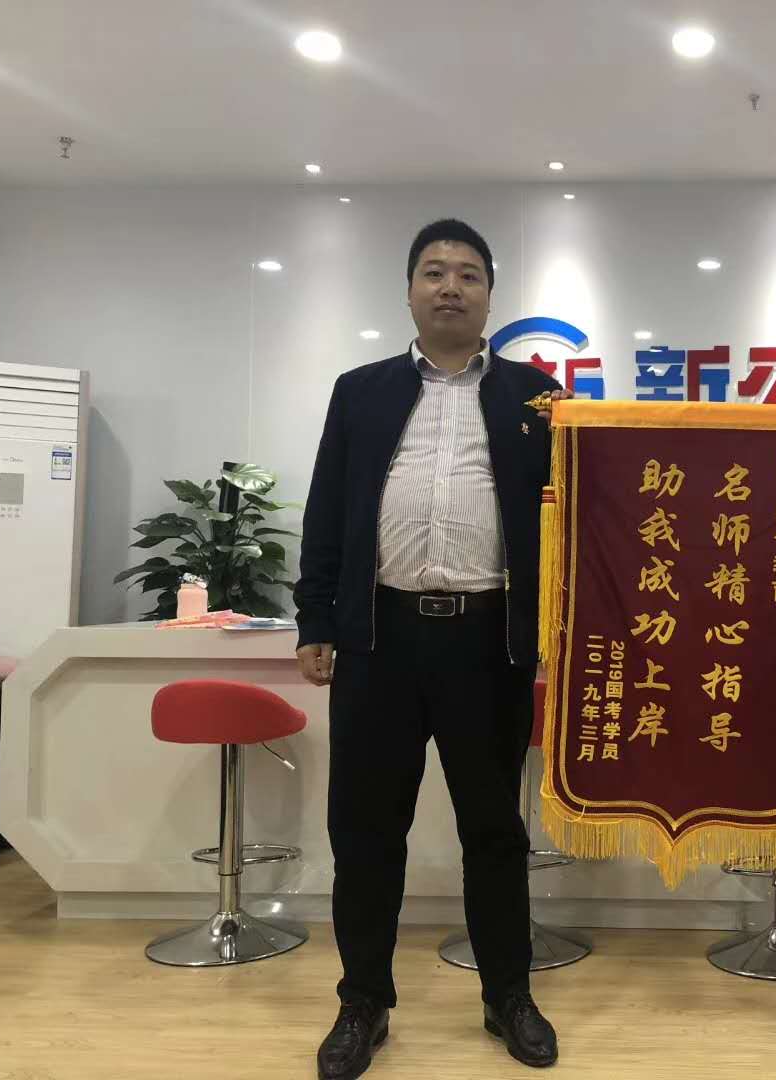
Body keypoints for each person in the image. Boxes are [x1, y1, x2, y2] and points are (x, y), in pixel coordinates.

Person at [295, 219, 566, 1078]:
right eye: (435, 272)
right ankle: (363, 1003)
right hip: (380, 639)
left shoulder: (538, 397)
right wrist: (315, 618)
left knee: (494, 830)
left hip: (490, 641)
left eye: (469, 274)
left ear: (491, 295)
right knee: (367, 832)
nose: (451, 286)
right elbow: (328, 509)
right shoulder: (361, 392)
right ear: (409, 290)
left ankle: (508, 995)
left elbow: (576, 516)